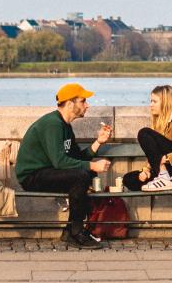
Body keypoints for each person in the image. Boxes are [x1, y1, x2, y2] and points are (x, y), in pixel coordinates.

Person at [15, 82, 113, 248]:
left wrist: (98, 142)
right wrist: (93, 166)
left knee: (85, 173)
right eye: (83, 101)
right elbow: (60, 162)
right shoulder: (53, 124)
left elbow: (76, 157)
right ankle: (76, 232)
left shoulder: (65, 126)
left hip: (48, 171)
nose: (87, 105)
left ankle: (70, 231)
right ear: (69, 104)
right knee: (82, 175)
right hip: (32, 176)